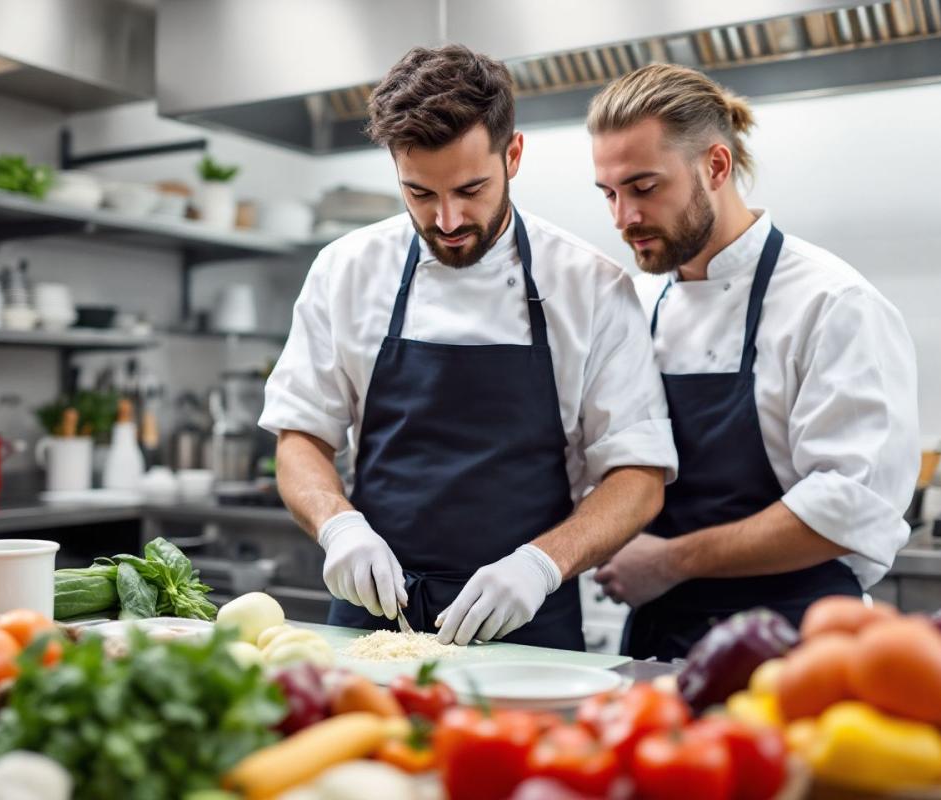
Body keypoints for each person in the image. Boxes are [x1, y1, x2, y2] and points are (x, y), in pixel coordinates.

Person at [260, 45, 677, 650]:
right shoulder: (345, 270)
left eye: (471, 189)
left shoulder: (590, 285)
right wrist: (339, 526)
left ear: (513, 155)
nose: (449, 220)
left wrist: (541, 564)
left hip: (528, 627)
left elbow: (638, 475)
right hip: (373, 618)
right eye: (420, 194)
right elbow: (300, 437)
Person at [589, 63, 920, 660]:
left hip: (797, 642)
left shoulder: (831, 303)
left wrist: (670, 560)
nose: (623, 218)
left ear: (716, 167)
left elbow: (847, 507)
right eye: (610, 194)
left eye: (644, 188)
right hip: (661, 639)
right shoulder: (637, 303)